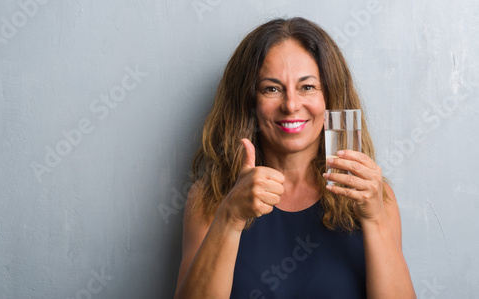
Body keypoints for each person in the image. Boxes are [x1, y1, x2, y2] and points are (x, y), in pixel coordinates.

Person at [174, 17, 416, 298]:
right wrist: (229, 217)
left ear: (331, 98)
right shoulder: (210, 197)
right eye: (272, 88)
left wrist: (375, 219)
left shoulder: (374, 195)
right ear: (249, 101)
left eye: (308, 87)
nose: (291, 105)